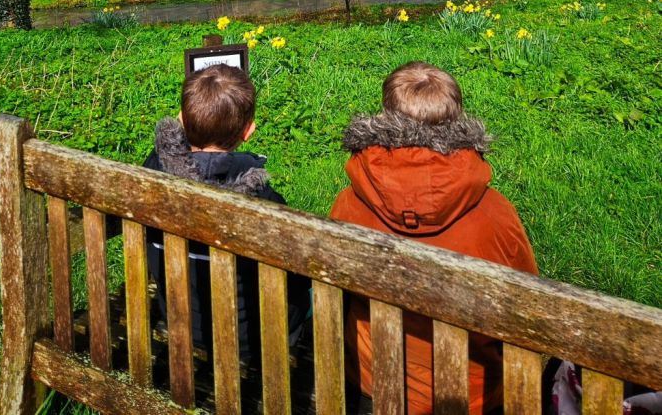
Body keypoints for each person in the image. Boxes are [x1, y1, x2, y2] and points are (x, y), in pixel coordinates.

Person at [330, 61, 538, 415]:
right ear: (456, 121)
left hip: (374, 380)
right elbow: (527, 309)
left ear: (387, 119)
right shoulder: (495, 215)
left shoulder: (350, 203)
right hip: (471, 392)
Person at [144, 63, 310, 363]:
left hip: (180, 321)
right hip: (249, 339)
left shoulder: (152, 175)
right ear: (249, 131)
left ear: (181, 120)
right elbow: (298, 267)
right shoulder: (262, 200)